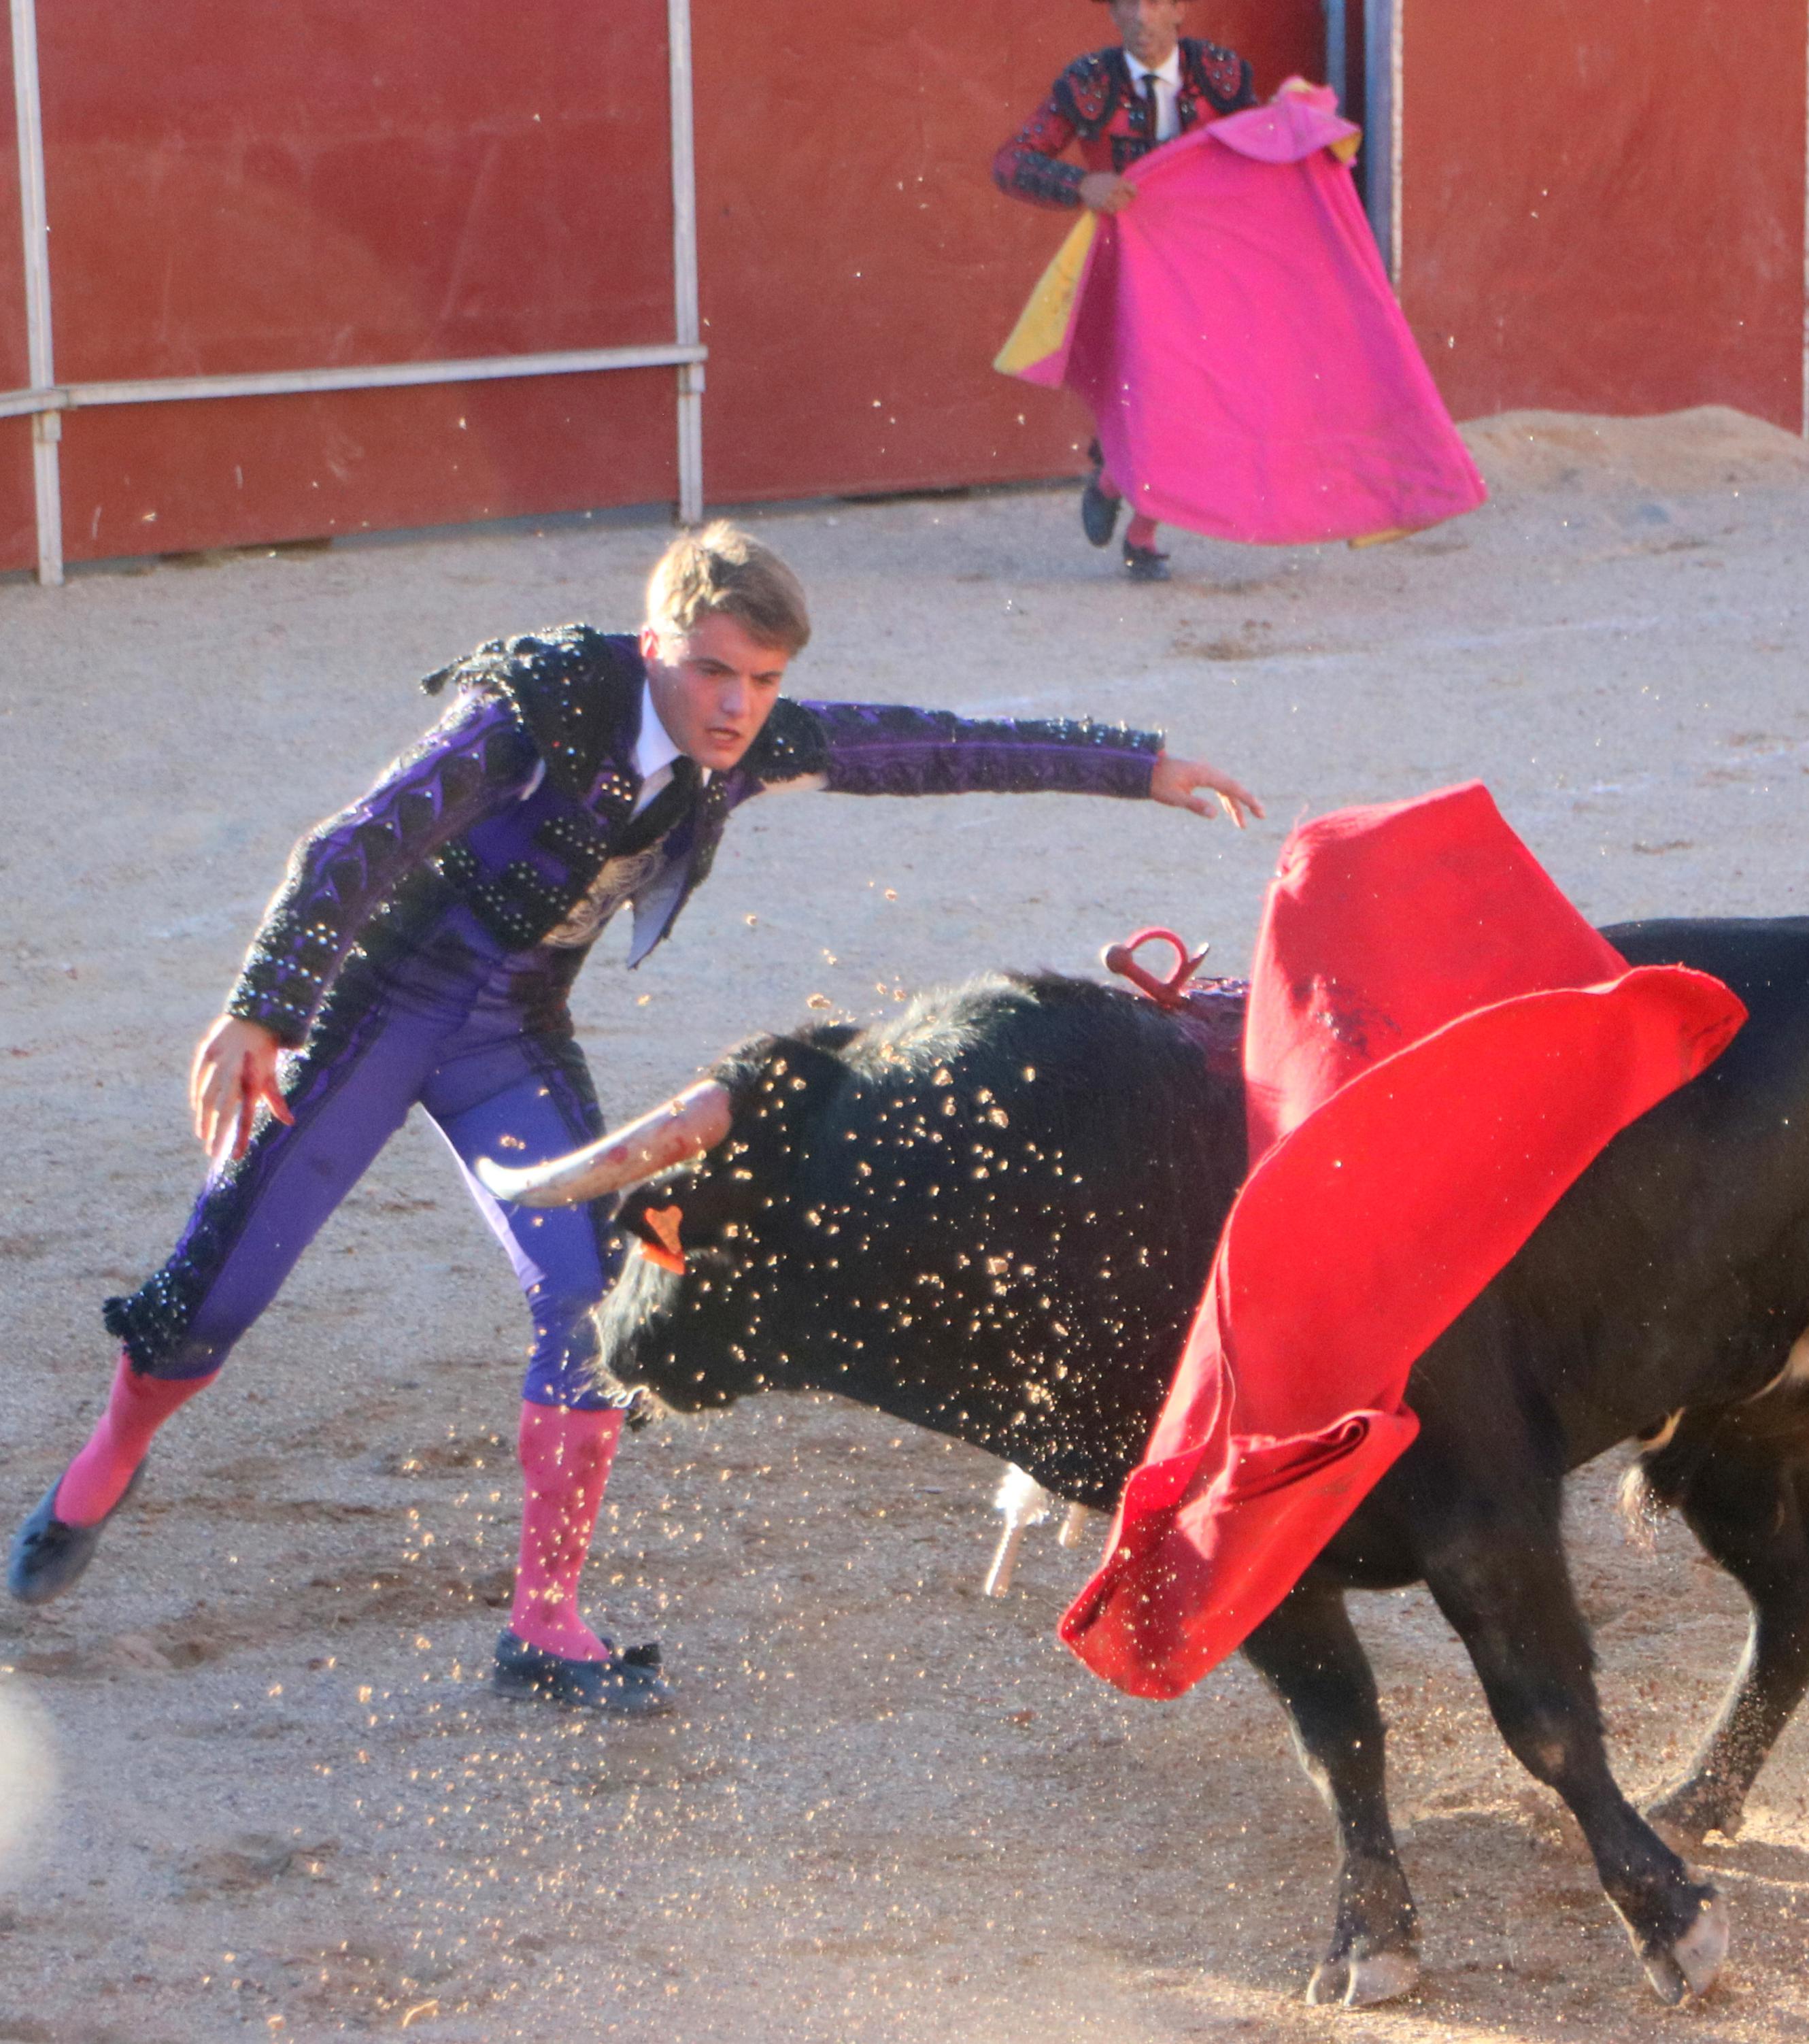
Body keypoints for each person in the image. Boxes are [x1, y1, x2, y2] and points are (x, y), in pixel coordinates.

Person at [6, 521, 1262, 1715]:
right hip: (381, 1019)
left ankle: (544, 1624)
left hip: (512, 1035)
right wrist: (264, 1008)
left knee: (590, 1305)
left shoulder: (748, 738)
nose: (735, 704)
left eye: (761, 680)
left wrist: (1138, 766)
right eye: (713, 670)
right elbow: (353, 845)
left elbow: (926, 747)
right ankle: (101, 1470)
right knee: (219, 1289)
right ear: (653, 643)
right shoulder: (539, 709)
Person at [993, 0, 1257, 583]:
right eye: (1127, 3)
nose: (1142, 15)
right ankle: (1137, 524)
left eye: (1157, 1)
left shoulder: (1223, 74)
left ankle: (1121, 493)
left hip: (1205, 261)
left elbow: (1262, 153)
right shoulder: (1087, 82)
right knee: (1158, 395)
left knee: (1192, 398)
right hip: (1127, 267)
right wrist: (1080, 182)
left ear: (1180, 9)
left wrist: (1314, 133)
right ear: (1112, 13)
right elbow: (1010, 163)